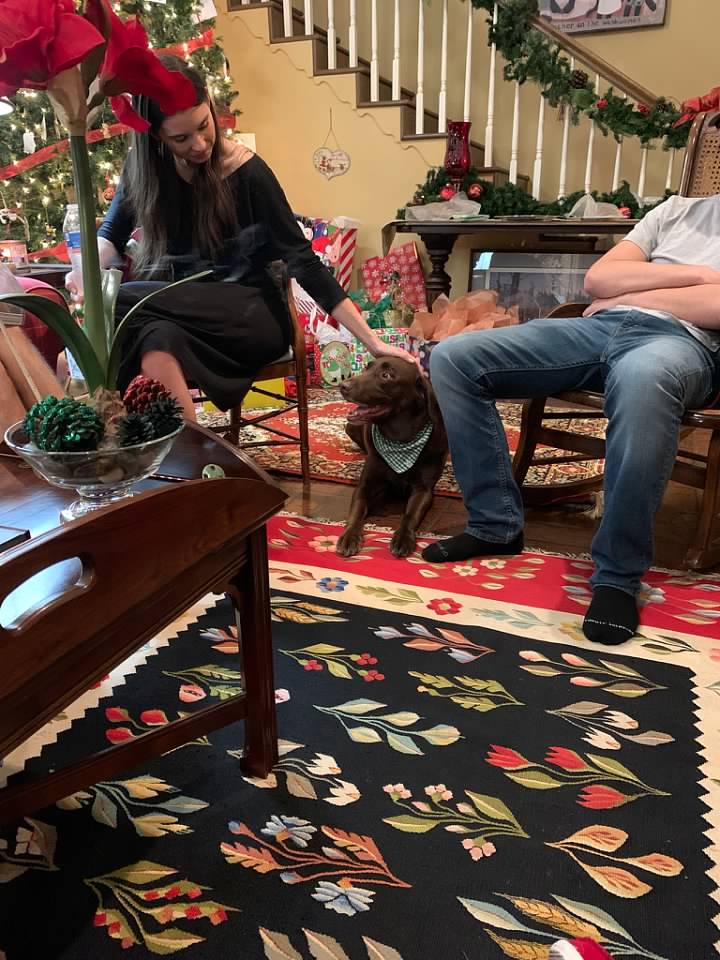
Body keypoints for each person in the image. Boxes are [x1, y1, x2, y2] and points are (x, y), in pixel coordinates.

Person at [423, 193, 720, 646]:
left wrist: (634, 291)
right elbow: (599, 279)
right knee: (453, 357)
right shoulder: (678, 209)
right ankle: (494, 526)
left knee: (643, 379)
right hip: (599, 325)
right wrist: (701, 276)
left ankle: (617, 576)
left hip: (683, 342)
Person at [67, 54, 415, 421]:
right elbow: (110, 236)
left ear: (210, 105)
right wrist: (81, 271)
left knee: (120, 299)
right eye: (181, 138)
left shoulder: (249, 172)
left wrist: (372, 341)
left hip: (250, 315)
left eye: (204, 126)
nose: (200, 144)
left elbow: (303, 261)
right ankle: (184, 449)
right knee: (155, 335)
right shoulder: (144, 172)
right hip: (180, 313)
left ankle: (102, 417)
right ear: (156, 136)